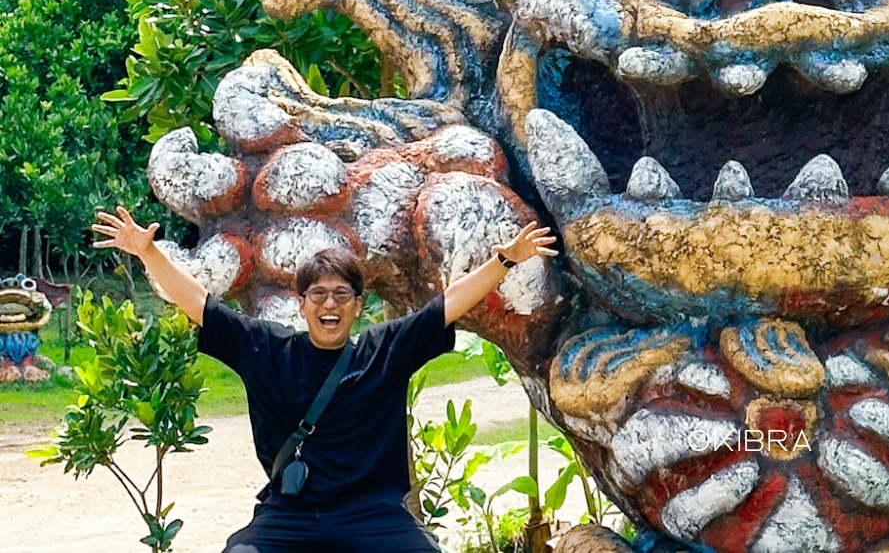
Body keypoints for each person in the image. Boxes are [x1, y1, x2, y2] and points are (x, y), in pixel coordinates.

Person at [91, 205, 557, 553]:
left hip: (371, 513)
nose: (329, 305)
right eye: (318, 294)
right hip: (289, 512)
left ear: (358, 305)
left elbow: (450, 303)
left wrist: (505, 260)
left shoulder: (384, 350)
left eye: (340, 295)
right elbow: (196, 301)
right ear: (302, 303)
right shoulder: (267, 349)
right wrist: (147, 251)